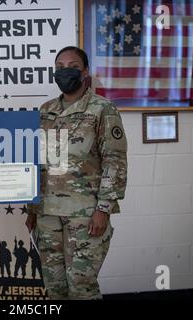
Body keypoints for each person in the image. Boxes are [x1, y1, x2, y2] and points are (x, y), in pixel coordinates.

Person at [26, 46, 128, 299]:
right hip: (47, 214)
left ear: (85, 72)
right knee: (54, 286)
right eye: (59, 67)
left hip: (84, 215)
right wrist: (31, 208)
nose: (65, 72)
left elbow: (114, 161)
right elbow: (35, 161)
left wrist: (103, 209)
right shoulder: (45, 110)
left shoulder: (102, 109)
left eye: (72, 67)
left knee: (82, 287)